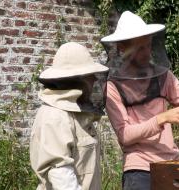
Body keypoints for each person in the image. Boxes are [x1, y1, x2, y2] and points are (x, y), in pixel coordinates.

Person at [101, 11, 179, 190]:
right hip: (139, 170)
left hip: (170, 164)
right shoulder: (113, 87)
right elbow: (125, 135)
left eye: (148, 46)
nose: (147, 53)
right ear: (122, 47)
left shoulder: (163, 77)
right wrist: (162, 118)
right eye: (140, 48)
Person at [29, 42, 108, 190]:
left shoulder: (74, 114)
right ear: (77, 79)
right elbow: (62, 177)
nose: (94, 81)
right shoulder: (55, 116)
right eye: (90, 77)